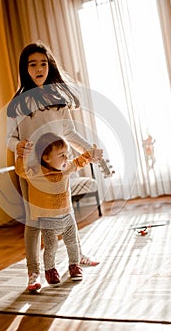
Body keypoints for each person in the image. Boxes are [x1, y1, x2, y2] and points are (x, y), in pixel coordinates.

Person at [6, 41, 103, 292]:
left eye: (43, 64)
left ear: (50, 66)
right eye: (33, 64)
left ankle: (76, 256)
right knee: (34, 221)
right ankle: (33, 273)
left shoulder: (58, 99)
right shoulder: (18, 104)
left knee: (67, 214)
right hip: (31, 171)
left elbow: (69, 131)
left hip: (59, 168)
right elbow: (10, 138)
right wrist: (17, 147)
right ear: (24, 69)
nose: (39, 69)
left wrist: (88, 151)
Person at [15, 132, 102, 286]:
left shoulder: (66, 167)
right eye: (62, 155)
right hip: (47, 220)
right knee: (51, 247)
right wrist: (23, 156)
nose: (66, 158)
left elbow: (78, 162)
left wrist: (88, 155)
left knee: (72, 243)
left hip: (67, 216)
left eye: (66, 154)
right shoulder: (36, 172)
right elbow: (20, 171)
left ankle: (74, 266)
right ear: (46, 158)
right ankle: (50, 270)